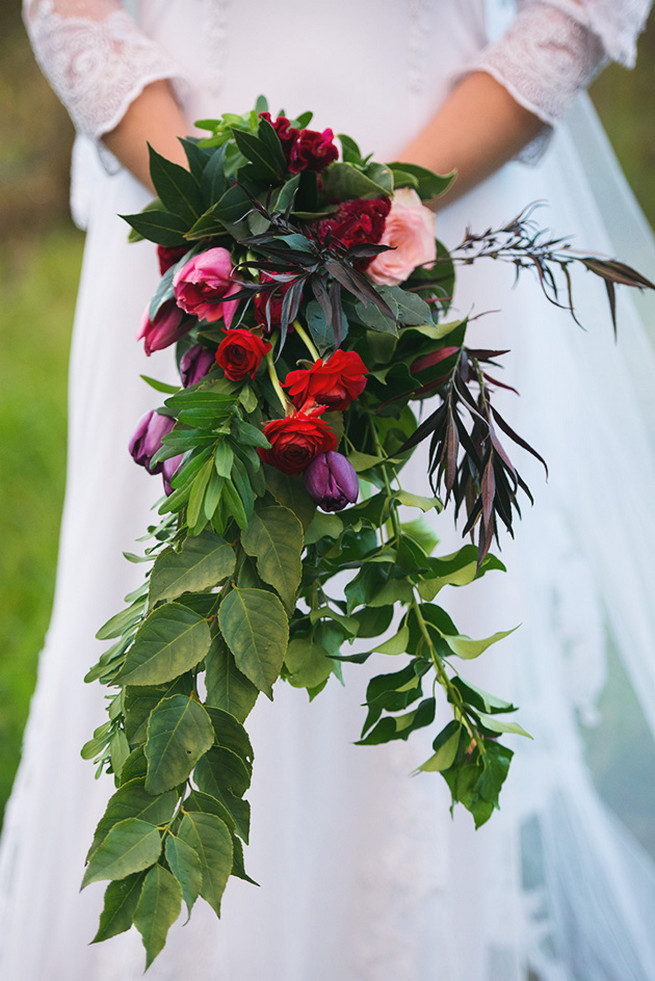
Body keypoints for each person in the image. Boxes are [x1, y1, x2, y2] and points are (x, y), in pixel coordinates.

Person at [2, 0, 655, 978]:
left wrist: (387, 206)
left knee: (397, 630)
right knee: (177, 629)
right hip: (187, 246)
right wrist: (221, 222)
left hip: (426, 247)